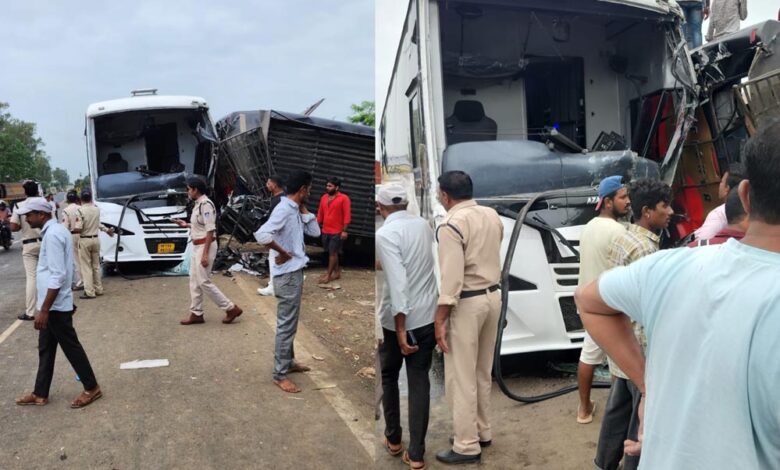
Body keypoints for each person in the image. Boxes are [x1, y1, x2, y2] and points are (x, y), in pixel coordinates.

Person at [576, 119, 780, 469]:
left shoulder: (669, 265)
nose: (670, 212)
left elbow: (588, 301)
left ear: (744, 196)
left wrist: (648, 385)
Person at [594, 178, 673, 470]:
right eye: (665, 206)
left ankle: (603, 463)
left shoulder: (623, 237)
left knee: (617, 413)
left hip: (622, 348)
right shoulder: (646, 251)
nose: (671, 212)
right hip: (641, 350)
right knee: (640, 423)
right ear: (647, 211)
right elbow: (647, 310)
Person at [433, 171, 503, 465]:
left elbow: (451, 280)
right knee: (481, 372)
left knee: (461, 378)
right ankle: (482, 431)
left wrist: (440, 319)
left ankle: (466, 444)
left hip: (467, 304)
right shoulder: (491, 215)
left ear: (445, 196)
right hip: (493, 297)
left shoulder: (451, 225)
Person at [13, 197, 102, 408]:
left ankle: (92, 387)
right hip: (53, 303)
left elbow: (58, 274)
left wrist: (44, 309)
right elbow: (66, 268)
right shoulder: (56, 231)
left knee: (71, 347)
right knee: (46, 348)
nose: (27, 219)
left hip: (54, 306)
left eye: (29, 215)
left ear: (41, 215)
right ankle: (40, 393)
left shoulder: (53, 235)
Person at [376, 184, 438, 470]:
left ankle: (394, 438)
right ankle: (416, 453)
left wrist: (401, 330)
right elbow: (417, 264)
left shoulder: (385, 234)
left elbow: (399, 285)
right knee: (419, 379)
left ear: (380, 207)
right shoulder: (423, 225)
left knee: (389, 375)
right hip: (427, 316)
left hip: (399, 322)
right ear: (406, 204)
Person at [254, 170, 321, 393]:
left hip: (294, 272)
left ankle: (289, 362)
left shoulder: (294, 208)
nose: (310, 192)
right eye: (308, 189)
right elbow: (262, 235)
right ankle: (279, 374)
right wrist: (282, 252)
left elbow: (315, 231)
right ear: (302, 189)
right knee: (286, 325)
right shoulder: (284, 209)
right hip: (288, 275)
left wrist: (303, 207)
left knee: (290, 323)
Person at [575, 175, 631, 425]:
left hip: (589, 303)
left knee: (590, 355)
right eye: (623, 197)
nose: (628, 201)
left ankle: (584, 409)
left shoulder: (588, 226)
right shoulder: (619, 231)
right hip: (610, 305)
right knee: (620, 359)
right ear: (608, 202)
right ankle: (618, 412)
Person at [174, 176, 243, 325]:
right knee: (194, 280)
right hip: (197, 245)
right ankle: (196, 312)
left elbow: (210, 230)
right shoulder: (198, 204)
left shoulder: (206, 205)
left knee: (203, 281)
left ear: (195, 190)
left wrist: (205, 254)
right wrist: (186, 225)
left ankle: (230, 308)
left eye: (189, 189)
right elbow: (201, 226)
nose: (188, 192)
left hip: (205, 246)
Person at [9, 180, 46, 321]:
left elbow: (13, 227)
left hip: (29, 245)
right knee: (49, 274)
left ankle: (30, 312)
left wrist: (22, 226)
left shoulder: (19, 205)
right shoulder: (44, 203)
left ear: (25, 192)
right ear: (37, 191)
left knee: (32, 278)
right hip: (45, 242)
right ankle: (51, 306)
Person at [73, 189, 114, 299]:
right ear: (91, 198)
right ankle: (99, 289)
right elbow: (98, 224)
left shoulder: (80, 211)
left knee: (86, 267)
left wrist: (71, 230)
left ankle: (89, 292)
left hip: (85, 240)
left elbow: (79, 228)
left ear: (81, 199)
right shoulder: (96, 209)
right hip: (95, 239)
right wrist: (107, 230)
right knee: (96, 266)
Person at [694, 163, 745, 240]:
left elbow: (703, 240)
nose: (719, 185)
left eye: (721, 182)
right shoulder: (751, 209)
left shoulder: (719, 214)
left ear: (726, 189)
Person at [316, 177, 351, 284]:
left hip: (337, 231)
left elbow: (347, 215)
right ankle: (337, 273)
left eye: (330, 186)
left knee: (333, 253)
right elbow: (320, 214)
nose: (327, 187)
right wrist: (315, 225)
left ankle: (328, 275)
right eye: (327, 185)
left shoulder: (344, 198)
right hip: (325, 230)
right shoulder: (324, 197)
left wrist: (344, 230)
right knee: (332, 253)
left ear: (337, 187)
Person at [258, 174, 286, 296]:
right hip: (281, 235)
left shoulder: (279, 200)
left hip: (278, 235)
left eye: (268, 183)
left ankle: (274, 287)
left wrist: (268, 238)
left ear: (274, 185)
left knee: (274, 260)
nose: (266, 185)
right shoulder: (282, 198)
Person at [60, 190, 83, 291]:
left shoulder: (66, 210)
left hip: (73, 235)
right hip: (84, 234)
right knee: (86, 259)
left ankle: (82, 281)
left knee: (77, 260)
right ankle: (90, 281)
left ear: (68, 200)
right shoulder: (81, 208)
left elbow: (65, 227)